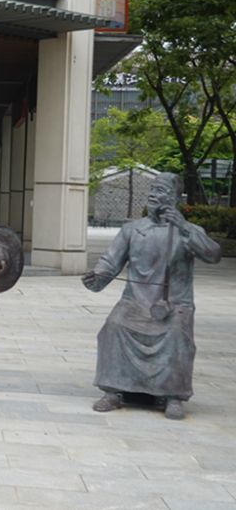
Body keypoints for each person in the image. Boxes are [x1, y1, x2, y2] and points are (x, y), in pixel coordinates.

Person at [82, 172, 220, 419]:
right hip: (135, 301)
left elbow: (213, 254)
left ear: (176, 198)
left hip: (173, 304)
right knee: (114, 325)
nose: (155, 195)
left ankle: (173, 395)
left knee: (176, 333)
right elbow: (110, 262)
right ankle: (113, 391)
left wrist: (183, 226)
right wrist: (97, 277)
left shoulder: (188, 231)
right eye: (153, 190)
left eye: (162, 191)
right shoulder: (132, 230)